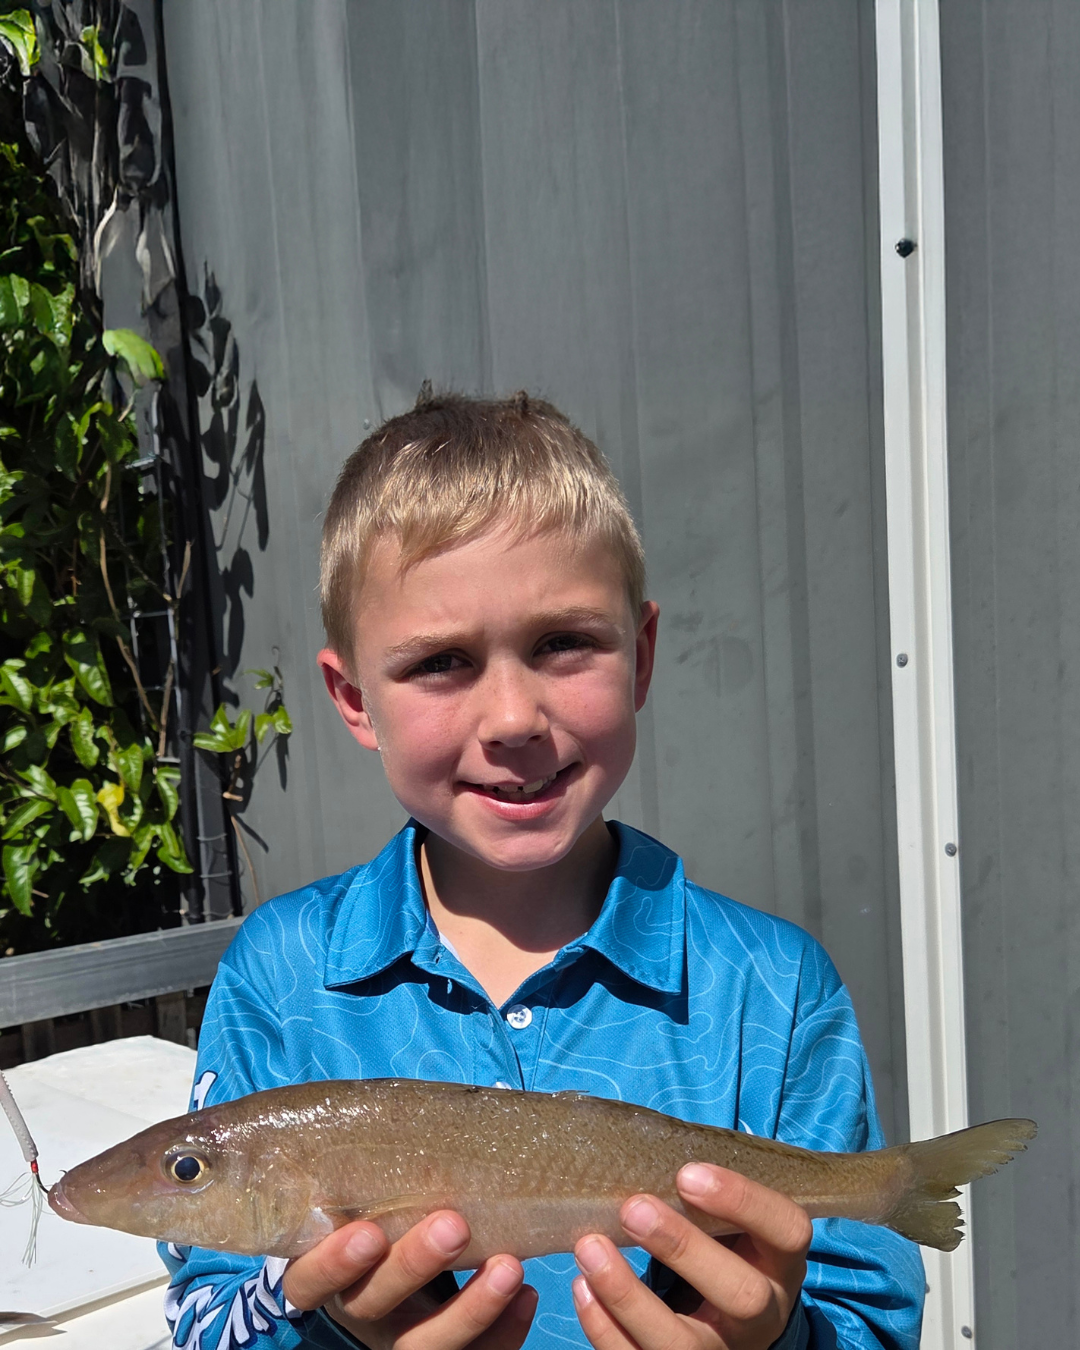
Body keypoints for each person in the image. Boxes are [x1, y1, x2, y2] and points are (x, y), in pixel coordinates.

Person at [162, 391, 924, 1350]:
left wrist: (778, 1339)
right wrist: (330, 1335)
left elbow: (873, 1314)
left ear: (641, 656)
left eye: (563, 643)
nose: (515, 717)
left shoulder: (774, 990)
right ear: (354, 700)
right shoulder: (280, 974)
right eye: (441, 661)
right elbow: (203, 1317)